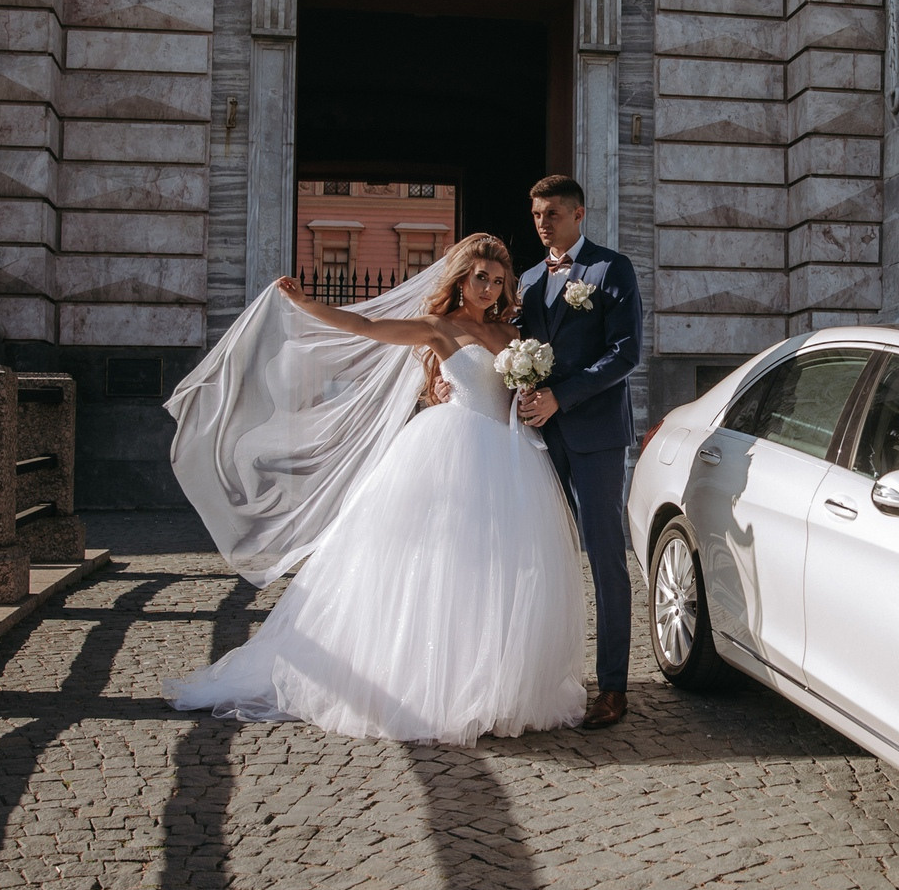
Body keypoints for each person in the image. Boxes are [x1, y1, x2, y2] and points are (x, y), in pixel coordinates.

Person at [163, 233, 587, 744]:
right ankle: (440, 689)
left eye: (498, 281)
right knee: (444, 570)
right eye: (481, 277)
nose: (490, 288)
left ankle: (498, 688)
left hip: (513, 455)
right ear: (461, 277)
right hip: (455, 450)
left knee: (503, 569)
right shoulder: (438, 328)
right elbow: (365, 326)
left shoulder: (512, 332)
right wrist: (304, 302)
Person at [513, 176, 645, 730]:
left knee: (605, 558)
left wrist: (559, 397)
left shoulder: (611, 270)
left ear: (578, 214)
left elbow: (625, 352)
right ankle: (542, 677)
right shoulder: (525, 279)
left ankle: (613, 686)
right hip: (537, 439)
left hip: (593, 436)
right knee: (540, 555)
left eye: (552, 214)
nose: (543, 223)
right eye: (537, 214)